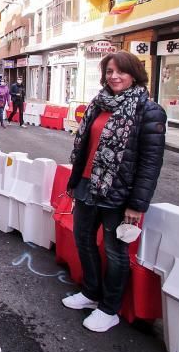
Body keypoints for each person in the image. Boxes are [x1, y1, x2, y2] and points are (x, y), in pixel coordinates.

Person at [62, 51, 166, 333]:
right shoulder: (98, 103)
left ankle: (109, 310)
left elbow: (150, 164)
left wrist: (137, 205)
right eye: (109, 71)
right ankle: (90, 293)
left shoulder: (148, 111)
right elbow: (84, 148)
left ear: (134, 74)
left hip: (118, 195)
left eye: (120, 71)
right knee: (83, 240)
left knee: (115, 251)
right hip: (87, 185)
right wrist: (74, 182)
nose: (114, 76)